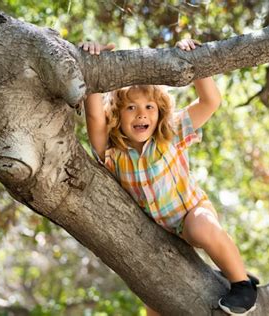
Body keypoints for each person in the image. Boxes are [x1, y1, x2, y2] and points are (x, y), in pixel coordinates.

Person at [81, 38, 258, 315]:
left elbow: (210, 101)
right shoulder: (112, 151)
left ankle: (242, 283)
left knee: (203, 229)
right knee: (156, 300)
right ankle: (222, 272)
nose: (142, 114)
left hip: (191, 213)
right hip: (159, 236)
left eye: (149, 107)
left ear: (160, 111)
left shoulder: (170, 133)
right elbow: (93, 116)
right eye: (131, 108)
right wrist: (93, 66)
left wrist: (195, 58)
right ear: (116, 113)